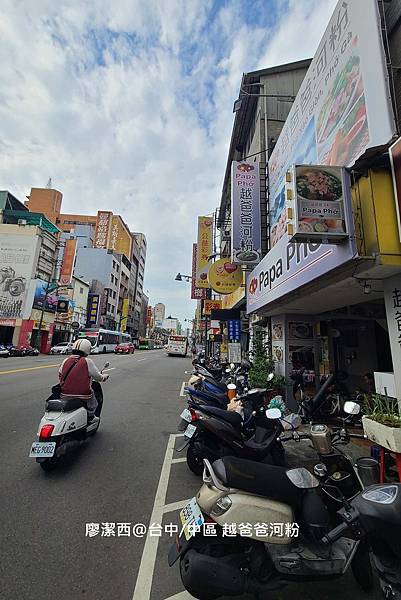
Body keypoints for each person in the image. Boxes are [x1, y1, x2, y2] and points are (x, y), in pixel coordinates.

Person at [58, 338, 108, 420]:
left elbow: (60, 375)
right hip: (84, 395)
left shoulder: (65, 360)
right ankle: (91, 417)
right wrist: (104, 377)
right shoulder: (87, 361)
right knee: (94, 403)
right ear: (87, 349)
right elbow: (98, 377)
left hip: (64, 394)